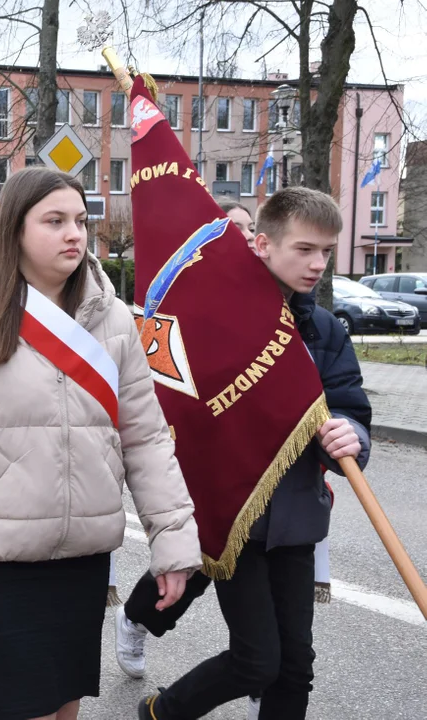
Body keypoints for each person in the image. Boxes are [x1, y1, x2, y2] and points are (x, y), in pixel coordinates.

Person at [0, 168, 200, 720]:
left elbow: (147, 440)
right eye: (54, 221)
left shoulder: (115, 323)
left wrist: (173, 543)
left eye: (80, 220)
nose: (74, 234)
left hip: (81, 560)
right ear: (15, 231)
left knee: (64, 709)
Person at [138, 187, 371, 720]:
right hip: (230, 516)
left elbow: (351, 406)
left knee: (295, 668)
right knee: (258, 660)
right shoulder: (210, 318)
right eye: (304, 249)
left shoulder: (323, 328)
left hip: (295, 520)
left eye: (327, 252)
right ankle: (163, 711)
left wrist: (351, 435)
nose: (317, 264)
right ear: (262, 244)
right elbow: (173, 407)